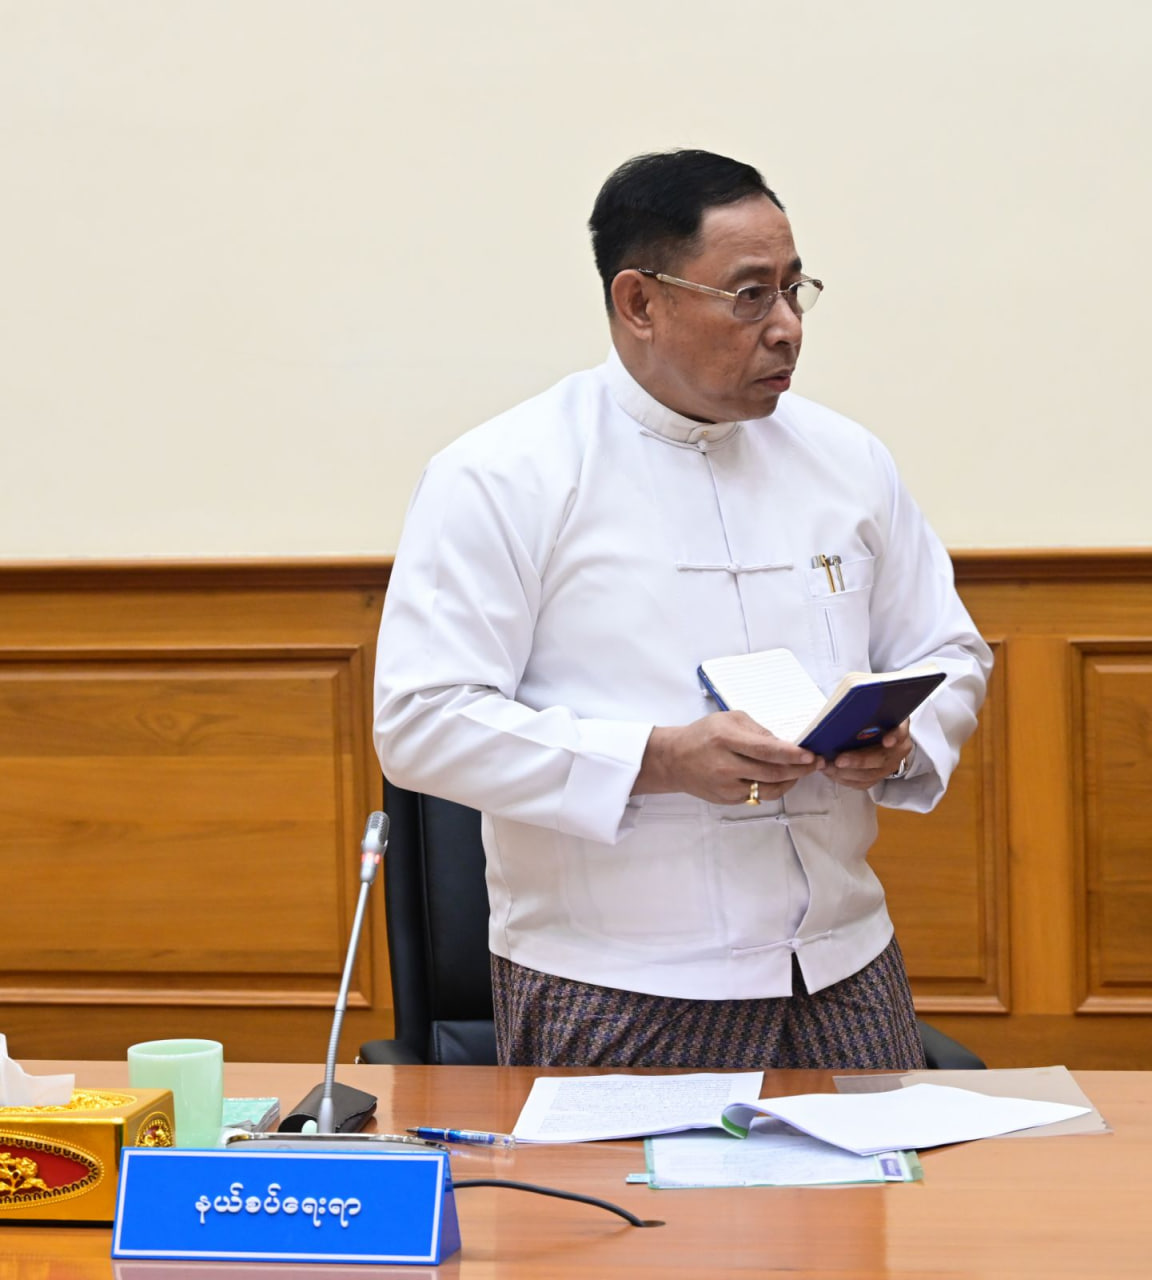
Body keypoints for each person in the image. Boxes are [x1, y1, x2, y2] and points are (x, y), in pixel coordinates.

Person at [374, 149, 992, 1071]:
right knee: (640, 1180)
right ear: (640, 302)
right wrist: (656, 760)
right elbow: (421, 723)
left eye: (794, 289)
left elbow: (950, 650)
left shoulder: (848, 460)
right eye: (749, 296)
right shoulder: (504, 474)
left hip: (843, 962)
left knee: (882, 1171)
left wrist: (897, 739)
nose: (786, 327)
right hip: (617, 981)